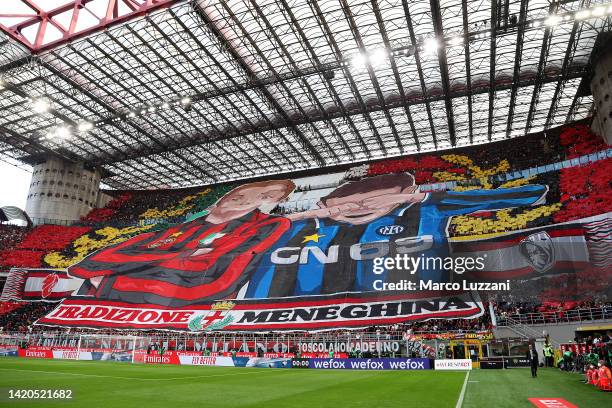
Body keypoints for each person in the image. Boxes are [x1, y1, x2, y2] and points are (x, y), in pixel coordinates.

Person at [247, 173, 547, 297]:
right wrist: (299, 216)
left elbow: (527, 194)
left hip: (414, 299)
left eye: (376, 201)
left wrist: (423, 197)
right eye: (346, 205)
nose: (359, 207)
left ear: (406, 195)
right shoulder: (301, 228)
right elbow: (241, 234)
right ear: (324, 206)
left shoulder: (426, 209)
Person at [68, 180, 295, 306]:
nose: (251, 199)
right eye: (241, 194)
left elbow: (216, 270)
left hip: (196, 308)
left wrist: (121, 272)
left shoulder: (269, 225)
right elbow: (94, 262)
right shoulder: (176, 229)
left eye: (266, 196)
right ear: (223, 198)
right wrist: (180, 256)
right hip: (114, 304)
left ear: (271, 203)